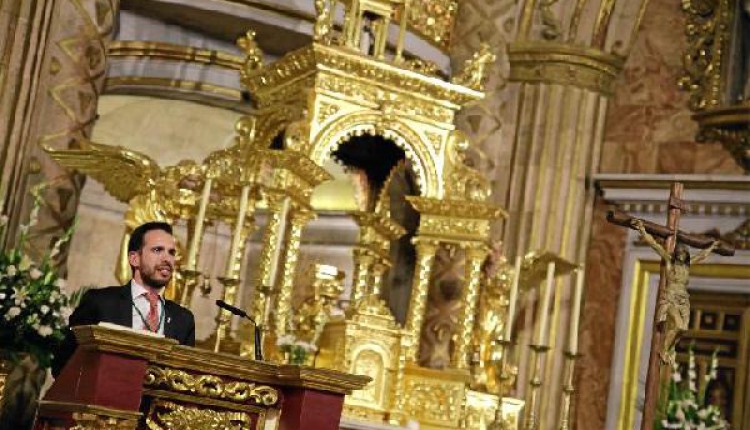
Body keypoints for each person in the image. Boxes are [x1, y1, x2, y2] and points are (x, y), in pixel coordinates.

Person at [52, 221, 195, 377]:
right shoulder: (101, 303)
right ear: (134, 259)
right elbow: (64, 364)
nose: (167, 258)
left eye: (171, 252)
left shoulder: (183, 319)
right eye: (157, 250)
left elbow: (185, 378)